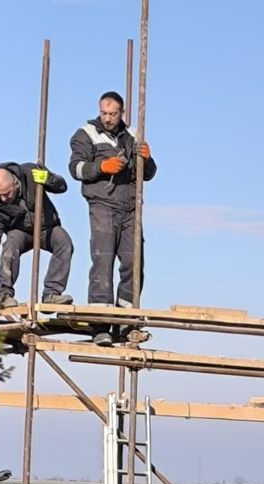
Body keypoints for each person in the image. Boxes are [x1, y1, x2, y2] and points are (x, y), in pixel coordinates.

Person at [68, 90, 157, 345]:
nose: (107, 118)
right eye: (104, 113)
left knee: (133, 263)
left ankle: (125, 322)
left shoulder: (132, 136)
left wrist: (147, 159)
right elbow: (75, 168)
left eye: (113, 114)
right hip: (103, 204)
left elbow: (148, 174)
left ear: (122, 113)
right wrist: (101, 167)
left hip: (130, 208)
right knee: (103, 261)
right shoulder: (86, 134)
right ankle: (100, 326)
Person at [0, 162, 73, 309]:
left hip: (47, 227)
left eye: (7, 193)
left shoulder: (31, 172)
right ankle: (4, 295)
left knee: (63, 241)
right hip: (20, 231)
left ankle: (51, 294)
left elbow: (62, 187)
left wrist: (49, 179)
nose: (3, 199)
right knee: (11, 245)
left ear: (16, 183)